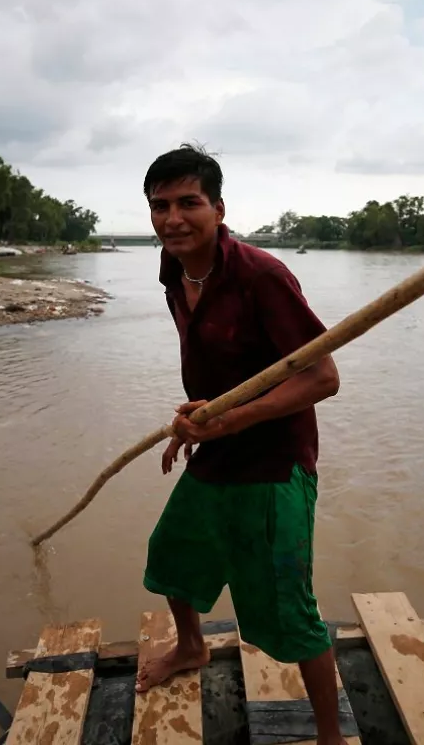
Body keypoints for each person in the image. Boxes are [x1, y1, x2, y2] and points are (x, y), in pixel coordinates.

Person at [135, 145, 346, 744]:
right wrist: (198, 414)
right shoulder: (174, 269)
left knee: (291, 607)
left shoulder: (261, 276)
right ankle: (191, 647)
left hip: (275, 463)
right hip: (218, 446)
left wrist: (231, 420)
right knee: (171, 555)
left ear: (219, 209)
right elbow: (221, 359)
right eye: (160, 206)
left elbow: (322, 378)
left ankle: (329, 735)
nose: (173, 219)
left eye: (189, 203)